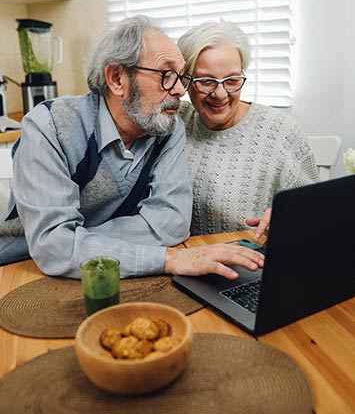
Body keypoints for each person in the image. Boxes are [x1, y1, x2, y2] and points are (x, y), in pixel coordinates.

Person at [0, 15, 264, 281]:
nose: (179, 91)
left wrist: (76, 242)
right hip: (23, 269)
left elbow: (172, 223)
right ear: (117, 78)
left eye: (181, 77)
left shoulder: (168, 129)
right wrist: (168, 258)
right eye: (166, 75)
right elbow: (52, 248)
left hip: (114, 270)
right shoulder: (49, 126)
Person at [177, 19, 319, 239]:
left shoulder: (280, 130)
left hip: (254, 261)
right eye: (206, 81)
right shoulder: (176, 122)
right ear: (185, 81)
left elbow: (314, 210)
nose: (220, 94)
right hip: (188, 258)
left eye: (232, 80)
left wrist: (290, 215)